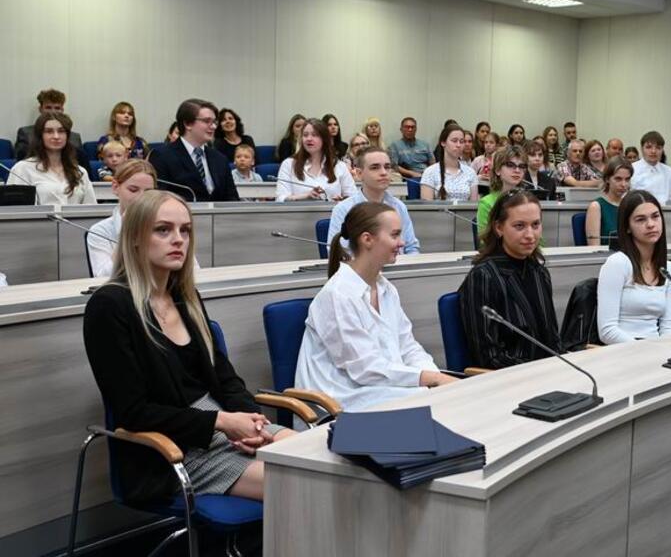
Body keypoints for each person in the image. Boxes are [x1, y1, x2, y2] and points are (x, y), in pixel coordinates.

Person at [83, 190, 292, 503]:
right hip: (176, 449)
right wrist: (222, 422)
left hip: (223, 426)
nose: (178, 240)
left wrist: (252, 422)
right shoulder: (109, 306)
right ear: (135, 238)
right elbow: (134, 412)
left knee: (322, 459)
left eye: (185, 230)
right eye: (163, 230)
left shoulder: (184, 296)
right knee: (307, 483)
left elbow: (225, 378)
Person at [296, 202, 456, 411]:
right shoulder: (337, 294)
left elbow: (408, 347)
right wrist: (430, 379)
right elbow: (364, 368)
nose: (402, 242)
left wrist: (436, 377)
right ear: (367, 239)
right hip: (339, 400)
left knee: (440, 397)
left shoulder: (385, 289)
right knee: (430, 402)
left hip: (377, 389)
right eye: (395, 235)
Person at [459, 190, 561, 368]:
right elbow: (488, 356)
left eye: (535, 225)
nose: (530, 235)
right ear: (499, 228)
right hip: (513, 375)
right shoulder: (484, 276)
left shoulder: (540, 272)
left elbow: (552, 339)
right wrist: (538, 370)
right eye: (519, 226)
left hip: (549, 371)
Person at [597, 190, 671, 344]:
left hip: (657, 348)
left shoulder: (669, 269)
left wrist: (668, 350)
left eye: (655, 216)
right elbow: (607, 331)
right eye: (641, 219)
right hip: (623, 349)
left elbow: (669, 327)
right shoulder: (617, 264)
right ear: (627, 227)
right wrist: (645, 350)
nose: (651, 224)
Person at [329, 146, 420, 254]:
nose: (384, 172)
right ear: (359, 174)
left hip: (398, 263)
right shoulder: (343, 209)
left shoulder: (399, 206)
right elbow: (338, 253)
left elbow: (411, 248)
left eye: (387, 167)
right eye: (375, 167)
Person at [149, 98, 240, 202]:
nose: (214, 126)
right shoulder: (162, 156)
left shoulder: (220, 159)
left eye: (214, 122)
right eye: (207, 121)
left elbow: (233, 200)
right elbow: (158, 200)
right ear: (188, 124)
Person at [87, 160, 157, 277]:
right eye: (133, 190)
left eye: (148, 192)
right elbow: (103, 277)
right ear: (115, 187)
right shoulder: (100, 231)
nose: (141, 198)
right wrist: (126, 233)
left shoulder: (166, 225)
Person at [9, 112, 96, 205]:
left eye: (61, 131)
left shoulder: (80, 172)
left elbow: (91, 207)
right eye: (49, 131)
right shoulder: (22, 169)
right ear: (40, 136)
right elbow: (14, 208)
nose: (56, 136)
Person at [275, 118, 355, 202]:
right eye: (305, 135)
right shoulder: (289, 164)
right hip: (298, 211)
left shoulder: (339, 166)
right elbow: (280, 199)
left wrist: (342, 201)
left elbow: (353, 198)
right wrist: (304, 196)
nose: (309, 138)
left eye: (314, 135)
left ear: (324, 139)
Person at [14, 88, 84, 160]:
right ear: (40, 109)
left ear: (62, 110)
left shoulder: (75, 137)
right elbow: (21, 159)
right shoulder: (26, 133)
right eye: (48, 107)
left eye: (57, 108)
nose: (53, 111)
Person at [420, 124, 479, 201]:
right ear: (443, 142)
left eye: (461, 141)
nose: (458, 145)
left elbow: (473, 205)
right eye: (454, 141)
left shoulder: (470, 172)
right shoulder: (430, 172)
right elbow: (427, 206)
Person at [477, 146, 526, 232]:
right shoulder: (487, 203)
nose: (517, 170)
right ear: (498, 170)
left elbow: (537, 237)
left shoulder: (527, 201)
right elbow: (485, 238)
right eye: (510, 165)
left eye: (521, 166)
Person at [586, 156, 632, 246]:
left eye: (627, 179)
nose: (623, 184)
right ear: (607, 179)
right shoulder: (596, 207)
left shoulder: (629, 205)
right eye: (618, 179)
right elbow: (594, 248)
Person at [630, 130, 671, 205]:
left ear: (662, 150)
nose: (653, 151)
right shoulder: (632, 169)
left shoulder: (668, 171)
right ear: (642, 149)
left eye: (658, 148)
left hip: (665, 211)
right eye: (648, 147)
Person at [388, 117, 435, 181]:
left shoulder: (425, 145)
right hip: (407, 177)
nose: (410, 129)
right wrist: (411, 173)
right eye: (407, 127)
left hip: (426, 176)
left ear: (416, 129)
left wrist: (428, 173)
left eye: (413, 127)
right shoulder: (395, 146)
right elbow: (394, 166)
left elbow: (432, 162)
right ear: (401, 129)